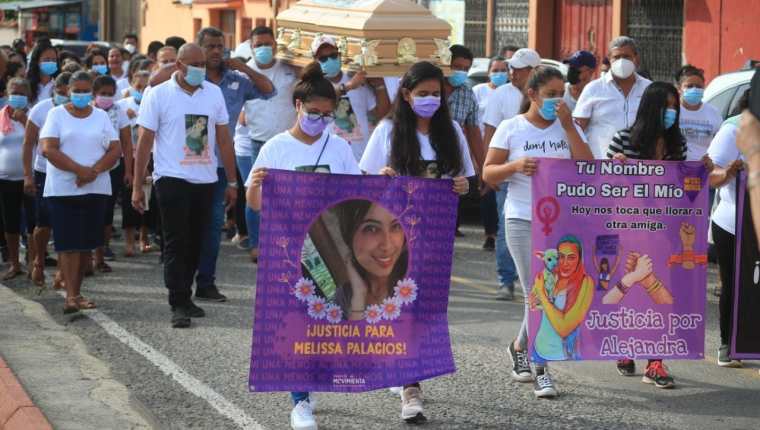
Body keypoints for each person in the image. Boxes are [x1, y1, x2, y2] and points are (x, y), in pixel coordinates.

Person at [245, 62, 361, 430]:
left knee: (328, 322)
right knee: (298, 323)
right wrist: (256, 185)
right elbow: (256, 204)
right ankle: (300, 400)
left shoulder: (339, 147)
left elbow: (357, 195)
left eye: (328, 115)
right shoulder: (276, 148)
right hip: (290, 251)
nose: (321, 120)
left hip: (332, 251)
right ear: (297, 106)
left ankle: (313, 382)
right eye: (314, 113)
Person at [360, 60, 473, 422]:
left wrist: (462, 185)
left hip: (436, 235)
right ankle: (411, 388)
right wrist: (382, 177)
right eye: (422, 93)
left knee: (424, 310)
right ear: (406, 95)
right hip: (394, 238)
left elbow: (465, 179)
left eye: (435, 94)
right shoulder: (388, 131)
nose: (429, 100)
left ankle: (403, 366)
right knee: (402, 305)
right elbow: (366, 181)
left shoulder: (451, 130)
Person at [483, 66, 593, 398]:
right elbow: (488, 174)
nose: (557, 100)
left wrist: (569, 126)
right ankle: (541, 366)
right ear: (532, 94)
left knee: (548, 293)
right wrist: (515, 167)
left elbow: (587, 166)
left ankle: (519, 346)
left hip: (561, 223)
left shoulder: (566, 126)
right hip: (520, 218)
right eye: (551, 94)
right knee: (540, 291)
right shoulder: (511, 128)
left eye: (562, 94)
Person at [147, 27, 274, 302]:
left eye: (220, 46)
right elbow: (153, 83)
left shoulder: (235, 80)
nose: (217, 52)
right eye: (211, 47)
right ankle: (180, 288)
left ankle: (205, 282)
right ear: (199, 49)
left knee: (211, 226)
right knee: (182, 231)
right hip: (180, 165)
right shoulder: (180, 79)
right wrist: (179, 66)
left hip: (217, 166)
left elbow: (269, 90)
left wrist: (244, 67)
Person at [133, 43, 238, 328]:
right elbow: (144, 142)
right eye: (194, 64)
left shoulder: (213, 93)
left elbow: (224, 140)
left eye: (203, 63)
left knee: (197, 241)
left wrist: (231, 180)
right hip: (171, 179)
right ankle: (177, 301)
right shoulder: (158, 94)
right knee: (176, 241)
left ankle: (186, 295)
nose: (200, 69)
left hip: (205, 180)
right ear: (177, 66)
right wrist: (136, 184)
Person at [607, 81, 690, 387]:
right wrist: (615, 168)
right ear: (650, 108)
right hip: (628, 227)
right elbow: (602, 184)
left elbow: (684, 188)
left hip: (664, 229)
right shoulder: (624, 139)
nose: (671, 112)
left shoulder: (677, 144)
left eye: (674, 107)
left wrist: (702, 170)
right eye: (666, 106)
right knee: (630, 288)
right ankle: (626, 347)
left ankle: (655, 361)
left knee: (660, 292)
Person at [39, 70, 121, 313]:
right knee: (67, 243)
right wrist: (79, 171)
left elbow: (114, 150)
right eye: (78, 91)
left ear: (93, 93)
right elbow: (48, 149)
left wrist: (92, 172)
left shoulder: (101, 117)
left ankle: (76, 292)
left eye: (87, 91)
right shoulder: (56, 115)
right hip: (64, 190)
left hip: (95, 189)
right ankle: (71, 296)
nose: (82, 95)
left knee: (86, 243)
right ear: (68, 91)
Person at [483, 48, 540, 300]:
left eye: (519, 68)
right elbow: (489, 131)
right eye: (512, 68)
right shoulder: (501, 95)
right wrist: (490, 171)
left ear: (533, 71)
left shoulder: (550, 98)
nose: (512, 72)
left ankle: (537, 283)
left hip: (543, 179)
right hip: (509, 176)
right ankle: (506, 281)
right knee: (507, 229)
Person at [241, 26, 298, 261]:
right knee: (255, 192)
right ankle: (256, 243)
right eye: (258, 45)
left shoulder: (289, 67)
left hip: (289, 141)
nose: (263, 48)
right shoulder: (245, 72)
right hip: (258, 141)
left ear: (275, 44)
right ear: (251, 47)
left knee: (289, 196)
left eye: (267, 43)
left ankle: (286, 243)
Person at [707, 89, 749, 368]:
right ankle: (728, 344)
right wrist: (731, 172)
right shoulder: (732, 129)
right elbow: (711, 175)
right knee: (735, 285)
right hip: (735, 222)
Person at [22, 72, 71, 287]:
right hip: (44, 171)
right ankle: (38, 261)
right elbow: (28, 143)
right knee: (43, 224)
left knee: (65, 222)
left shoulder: (82, 111)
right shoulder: (41, 109)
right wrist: (27, 176)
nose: (66, 97)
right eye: (61, 93)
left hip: (70, 173)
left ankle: (63, 270)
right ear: (54, 90)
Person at [311, 35, 390, 161]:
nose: (330, 60)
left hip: (360, 158)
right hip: (330, 161)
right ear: (315, 60)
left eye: (333, 56)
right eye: (323, 58)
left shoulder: (357, 81)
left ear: (339, 55)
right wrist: (349, 86)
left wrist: (380, 85)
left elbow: (380, 114)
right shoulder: (313, 85)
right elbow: (324, 97)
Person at [573, 36, 652, 159]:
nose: (621, 61)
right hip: (600, 164)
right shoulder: (593, 89)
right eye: (616, 57)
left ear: (635, 58)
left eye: (626, 56)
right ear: (609, 59)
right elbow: (577, 129)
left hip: (638, 167)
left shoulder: (649, 88)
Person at [92, 75, 132, 268]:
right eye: (102, 94)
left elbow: (126, 142)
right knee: (89, 211)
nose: (106, 97)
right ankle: (87, 255)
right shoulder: (87, 110)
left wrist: (129, 171)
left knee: (106, 212)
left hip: (114, 168)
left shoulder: (119, 111)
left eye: (110, 94)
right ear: (94, 94)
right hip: (89, 168)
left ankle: (101, 252)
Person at [473, 56, 507, 255]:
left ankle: (502, 234)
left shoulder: (509, 93)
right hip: (482, 144)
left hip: (504, 147)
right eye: (495, 70)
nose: (499, 73)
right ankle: (490, 235)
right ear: (488, 72)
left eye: (503, 70)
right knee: (486, 191)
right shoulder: (478, 91)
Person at [118, 70, 154, 255]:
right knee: (128, 200)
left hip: (152, 155)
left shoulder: (152, 102)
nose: (141, 90)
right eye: (137, 86)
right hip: (129, 157)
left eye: (145, 86)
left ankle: (144, 238)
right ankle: (129, 241)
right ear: (131, 85)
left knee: (148, 199)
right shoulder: (122, 105)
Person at [0, 78, 32, 280]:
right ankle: (14, 264)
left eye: (21, 92)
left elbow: (41, 140)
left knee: (33, 223)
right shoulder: (1, 116)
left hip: (28, 177)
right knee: (9, 223)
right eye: (14, 92)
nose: (17, 96)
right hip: (4, 178)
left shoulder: (33, 116)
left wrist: (24, 121)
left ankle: (33, 261)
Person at [676, 65, 722, 162]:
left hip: (705, 168)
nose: (694, 89)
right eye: (689, 86)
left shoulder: (713, 112)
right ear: (679, 88)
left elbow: (720, 143)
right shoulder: (673, 111)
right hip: (678, 167)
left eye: (698, 86)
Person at [26, 39, 59, 105]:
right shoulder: (27, 85)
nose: (51, 62)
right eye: (47, 59)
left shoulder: (58, 86)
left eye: (54, 59)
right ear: (37, 61)